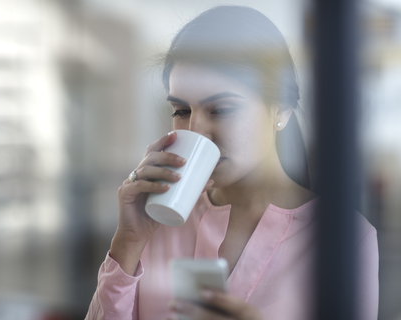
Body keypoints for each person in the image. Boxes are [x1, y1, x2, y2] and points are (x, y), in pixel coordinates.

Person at [85, 5, 378, 320]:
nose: (195, 130)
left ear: (280, 111)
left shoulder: (345, 240)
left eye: (221, 110)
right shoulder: (154, 225)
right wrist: (127, 242)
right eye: (181, 111)